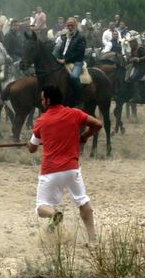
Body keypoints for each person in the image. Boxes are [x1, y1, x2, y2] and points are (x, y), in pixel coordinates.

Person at [27, 85, 101, 241]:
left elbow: (32, 148)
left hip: (50, 170)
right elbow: (97, 124)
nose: (41, 101)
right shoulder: (74, 114)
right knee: (83, 201)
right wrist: (84, 137)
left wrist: (29, 144)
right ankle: (93, 239)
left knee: (41, 207)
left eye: (42, 98)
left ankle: (54, 215)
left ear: (47, 100)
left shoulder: (42, 121)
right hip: (72, 169)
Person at [57, 17, 86, 106]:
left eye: (72, 25)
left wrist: (65, 60)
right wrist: (58, 57)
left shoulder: (80, 37)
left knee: (74, 77)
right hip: (64, 61)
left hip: (77, 62)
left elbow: (79, 53)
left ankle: (80, 99)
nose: (70, 27)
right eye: (68, 25)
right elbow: (62, 49)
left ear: (75, 26)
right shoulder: (66, 37)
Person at [126, 33, 145, 103]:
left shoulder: (140, 48)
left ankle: (137, 96)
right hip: (136, 66)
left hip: (143, 67)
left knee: (133, 78)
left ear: (134, 42)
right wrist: (129, 59)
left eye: (131, 43)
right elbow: (132, 57)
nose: (130, 45)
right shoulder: (132, 49)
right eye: (129, 43)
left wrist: (138, 59)